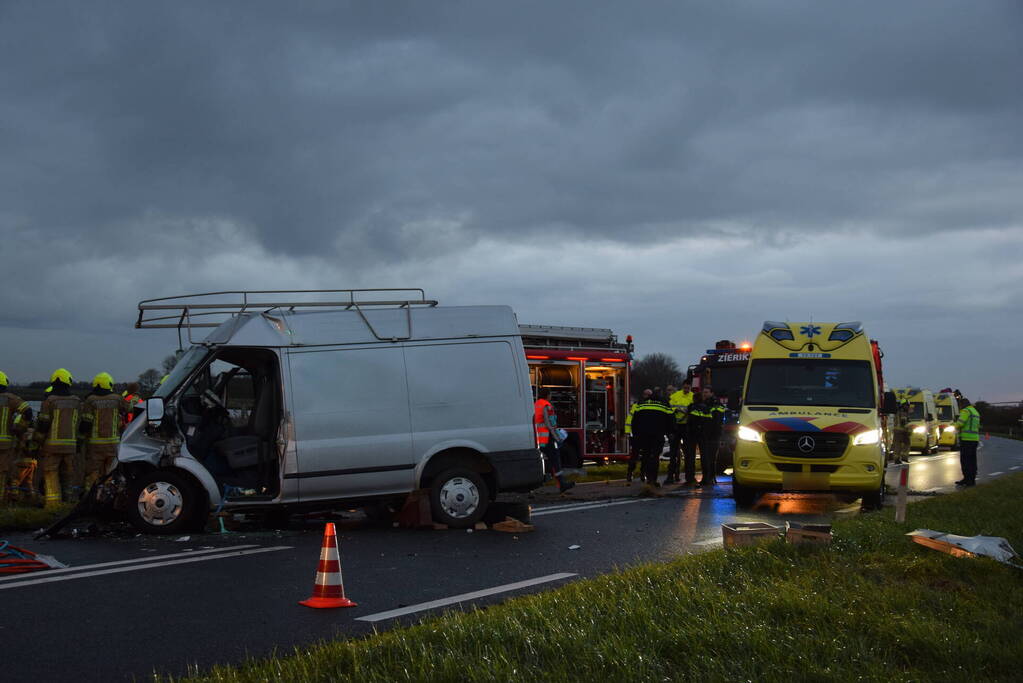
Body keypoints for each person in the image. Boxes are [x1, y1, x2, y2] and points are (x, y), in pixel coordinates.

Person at [34, 368, 83, 507]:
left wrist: (36, 442)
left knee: (51, 474)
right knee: (68, 474)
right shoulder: (77, 402)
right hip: (70, 447)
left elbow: (43, 424)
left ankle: (53, 504)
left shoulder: (49, 401)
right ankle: (69, 502)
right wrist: (79, 443)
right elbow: (81, 424)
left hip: (52, 446)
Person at [80, 372, 129, 490]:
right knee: (110, 473)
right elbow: (129, 409)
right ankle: (107, 495)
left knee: (92, 473)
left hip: (95, 446)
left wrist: (80, 438)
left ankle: (90, 495)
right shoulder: (117, 399)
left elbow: (86, 422)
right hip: (113, 445)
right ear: (109, 384)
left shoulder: (90, 400)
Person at [0, 370, 33, 503]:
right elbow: (28, 411)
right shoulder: (10, 399)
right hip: (4, 443)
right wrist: (20, 428)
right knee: (2, 472)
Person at [629, 390, 674, 487]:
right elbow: (671, 419)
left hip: (644, 434)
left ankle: (647, 477)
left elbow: (635, 419)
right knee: (655, 456)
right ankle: (653, 479)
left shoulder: (641, 404)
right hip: (658, 434)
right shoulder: (664, 404)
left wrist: (636, 433)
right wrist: (670, 432)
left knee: (646, 455)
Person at [534, 388, 575, 493]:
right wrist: (557, 437)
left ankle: (555, 482)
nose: (551, 396)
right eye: (550, 394)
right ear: (547, 395)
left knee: (547, 460)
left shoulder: (536, 404)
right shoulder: (547, 406)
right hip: (548, 438)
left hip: (539, 438)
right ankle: (562, 484)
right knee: (555, 460)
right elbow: (550, 424)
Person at [690, 386, 726, 486]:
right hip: (705, 434)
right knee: (705, 457)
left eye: (706, 392)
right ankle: (707, 478)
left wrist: (714, 433)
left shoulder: (716, 405)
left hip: (713, 435)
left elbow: (716, 422)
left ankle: (710, 478)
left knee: (710, 457)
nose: (704, 394)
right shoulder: (704, 404)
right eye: (703, 392)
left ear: (712, 393)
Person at [666, 381, 695, 485]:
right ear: (682, 387)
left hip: (687, 427)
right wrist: (678, 409)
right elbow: (670, 408)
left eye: (688, 388)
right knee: (673, 453)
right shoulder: (675, 396)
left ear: (690, 387)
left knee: (688, 453)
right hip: (676, 427)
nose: (686, 390)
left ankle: (689, 478)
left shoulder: (693, 396)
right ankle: (670, 477)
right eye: (685, 388)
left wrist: (686, 412)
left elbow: (694, 410)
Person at [624, 389, 651, 483]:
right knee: (634, 455)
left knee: (646, 456)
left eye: (649, 395)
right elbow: (629, 419)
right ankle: (630, 473)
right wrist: (628, 431)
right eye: (646, 394)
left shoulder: (651, 406)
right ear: (643, 395)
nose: (647, 396)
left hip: (646, 434)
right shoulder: (636, 405)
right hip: (637, 434)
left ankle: (642, 473)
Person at [955, 396, 981, 487]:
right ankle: (971, 479)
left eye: (960, 406)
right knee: (972, 460)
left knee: (965, 461)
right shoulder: (975, 412)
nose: (960, 408)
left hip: (966, 440)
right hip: (974, 439)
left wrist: (953, 425)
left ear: (962, 405)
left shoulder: (965, 411)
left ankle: (967, 480)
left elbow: (960, 423)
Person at [891, 398, 911, 464]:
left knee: (897, 445)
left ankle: (896, 459)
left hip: (896, 431)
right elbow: (903, 422)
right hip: (903, 431)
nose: (907, 407)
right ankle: (904, 457)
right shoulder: (903, 412)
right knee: (907, 444)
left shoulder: (897, 412)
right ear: (903, 405)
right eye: (906, 405)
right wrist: (908, 430)